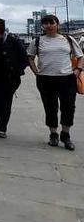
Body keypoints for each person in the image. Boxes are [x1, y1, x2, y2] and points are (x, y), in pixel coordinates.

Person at [27, 14, 84, 150]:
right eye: (45, 23)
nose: (49, 26)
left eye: (52, 23)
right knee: (50, 107)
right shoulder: (37, 41)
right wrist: (36, 72)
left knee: (68, 107)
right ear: (42, 26)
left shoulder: (68, 39)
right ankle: (53, 134)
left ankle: (66, 134)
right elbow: (30, 57)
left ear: (57, 24)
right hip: (46, 79)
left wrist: (78, 70)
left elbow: (80, 56)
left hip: (67, 78)